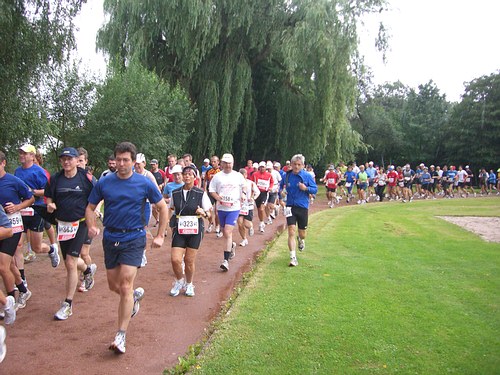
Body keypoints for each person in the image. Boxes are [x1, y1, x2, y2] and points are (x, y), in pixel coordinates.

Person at [85, 141, 168, 354]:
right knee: (114, 286)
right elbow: (90, 207)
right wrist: (92, 225)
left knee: (124, 285)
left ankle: (120, 335)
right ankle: (134, 300)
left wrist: (160, 235)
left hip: (134, 238)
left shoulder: (144, 183)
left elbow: (162, 207)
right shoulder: (105, 182)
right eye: (118, 160)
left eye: (126, 160)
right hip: (111, 237)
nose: (121, 164)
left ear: (133, 161)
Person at [45, 147, 96, 320]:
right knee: (70, 260)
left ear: (76, 160)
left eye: (70, 159)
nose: (66, 162)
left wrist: (93, 218)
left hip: (80, 223)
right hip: (62, 225)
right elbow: (49, 196)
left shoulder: (85, 178)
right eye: (63, 159)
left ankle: (68, 304)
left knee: (70, 262)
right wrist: (50, 205)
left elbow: (96, 196)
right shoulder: (55, 179)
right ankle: (88, 270)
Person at [14, 144, 60, 287]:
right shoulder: (17, 171)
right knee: (18, 245)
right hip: (21, 211)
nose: (22, 155)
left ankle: (52, 249)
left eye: (25, 153)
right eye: (21, 153)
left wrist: (31, 191)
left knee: (36, 247)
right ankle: (22, 279)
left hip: (37, 210)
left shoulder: (39, 172)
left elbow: (47, 191)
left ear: (32, 156)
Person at [168, 166, 212, 297]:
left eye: (190, 174)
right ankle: (179, 281)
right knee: (175, 259)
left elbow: (209, 214)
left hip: (195, 230)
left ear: (195, 177)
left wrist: (203, 212)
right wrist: (170, 223)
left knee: (189, 260)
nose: (187, 176)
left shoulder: (200, 193)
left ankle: (189, 284)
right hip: (180, 229)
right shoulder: (175, 193)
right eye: (185, 174)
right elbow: (172, 209)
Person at [0, 151, 35, 309]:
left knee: (2, 265)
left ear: (3, 163)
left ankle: (9, 301)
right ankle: (23, 289)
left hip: (13, 227)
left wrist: (17, 207)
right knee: (10, 264)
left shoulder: (14, 181)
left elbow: (31, 198)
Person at [209, 153, 247, 271]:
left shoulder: (238, 176)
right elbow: (211, 190)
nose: (227, 165)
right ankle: (232, 246)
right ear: (222, 164)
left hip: (234, 208)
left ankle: (225, 260)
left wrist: (244, 194)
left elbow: (244, 186)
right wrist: (218, 198)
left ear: (233, 163)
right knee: (225, 233)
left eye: (229, 163)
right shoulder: (217, 176)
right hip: (221, 208)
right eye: (225, 163)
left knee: (227, 231)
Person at [279, 154, 317, 267]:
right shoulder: (287, 176)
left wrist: (306, 188)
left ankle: (301, 239)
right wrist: (281, 194)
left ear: (303, 165)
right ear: (291, 165)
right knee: (291, 231)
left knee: (302, 233)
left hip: (302, 207)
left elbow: (315, 189)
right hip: (290, 206)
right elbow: (280, 187)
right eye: (294, 164)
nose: (296, 166)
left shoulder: (307, 176)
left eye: (299, 165)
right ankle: (293, 257)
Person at [76, 147, 99, 292]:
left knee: (83, 253)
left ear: (86, 161)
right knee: (73, 255)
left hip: (87, 220)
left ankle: (87, 276)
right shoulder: (67, 178)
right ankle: (87, 270)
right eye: (76, 160)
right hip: (72, 222)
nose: (78, 163)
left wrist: (96, 208)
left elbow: (100, 195)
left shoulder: (90, 179)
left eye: (81, 160)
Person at [237, 168, 260, 247]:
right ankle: (244, 239)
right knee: (240, 223)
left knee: (246, 224)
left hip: (248, 206)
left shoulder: (251, 183)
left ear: (246, 175)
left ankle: (251, 227)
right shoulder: (236, 184)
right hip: (239, 206)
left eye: (243, 176)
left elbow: (257, 192)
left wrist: (253, 198)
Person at [252, 161, 273, 233]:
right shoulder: (255, 174)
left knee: (261, 208)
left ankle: (261, 223)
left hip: (264, 193)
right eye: (260, 167)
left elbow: (272, 182)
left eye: (263, 167)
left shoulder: (269, 175)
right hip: (257, 193)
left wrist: (270, 187)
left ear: (265, 167)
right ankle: (261, 222)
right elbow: (252, 182)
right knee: (258, 210)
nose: (261, 168)